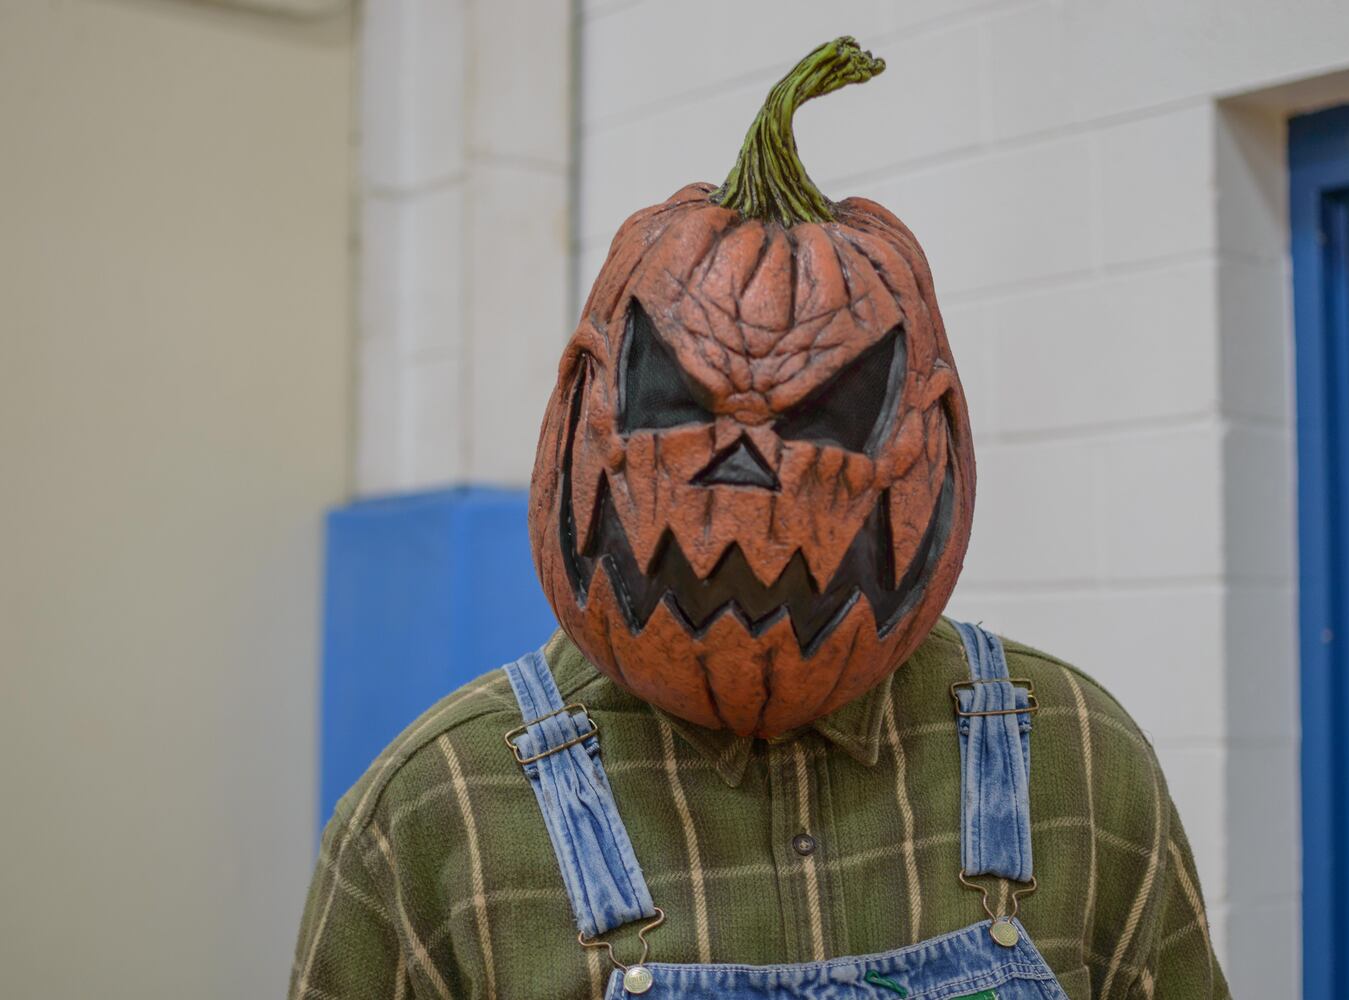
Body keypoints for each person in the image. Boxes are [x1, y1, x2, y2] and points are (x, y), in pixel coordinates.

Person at [289, 37, 1230, 1000]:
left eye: (826, 414)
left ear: (933, 427)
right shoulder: (431, 819)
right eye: (677, 404)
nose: (750, 472)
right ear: (581, 398)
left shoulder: (1079, 765)